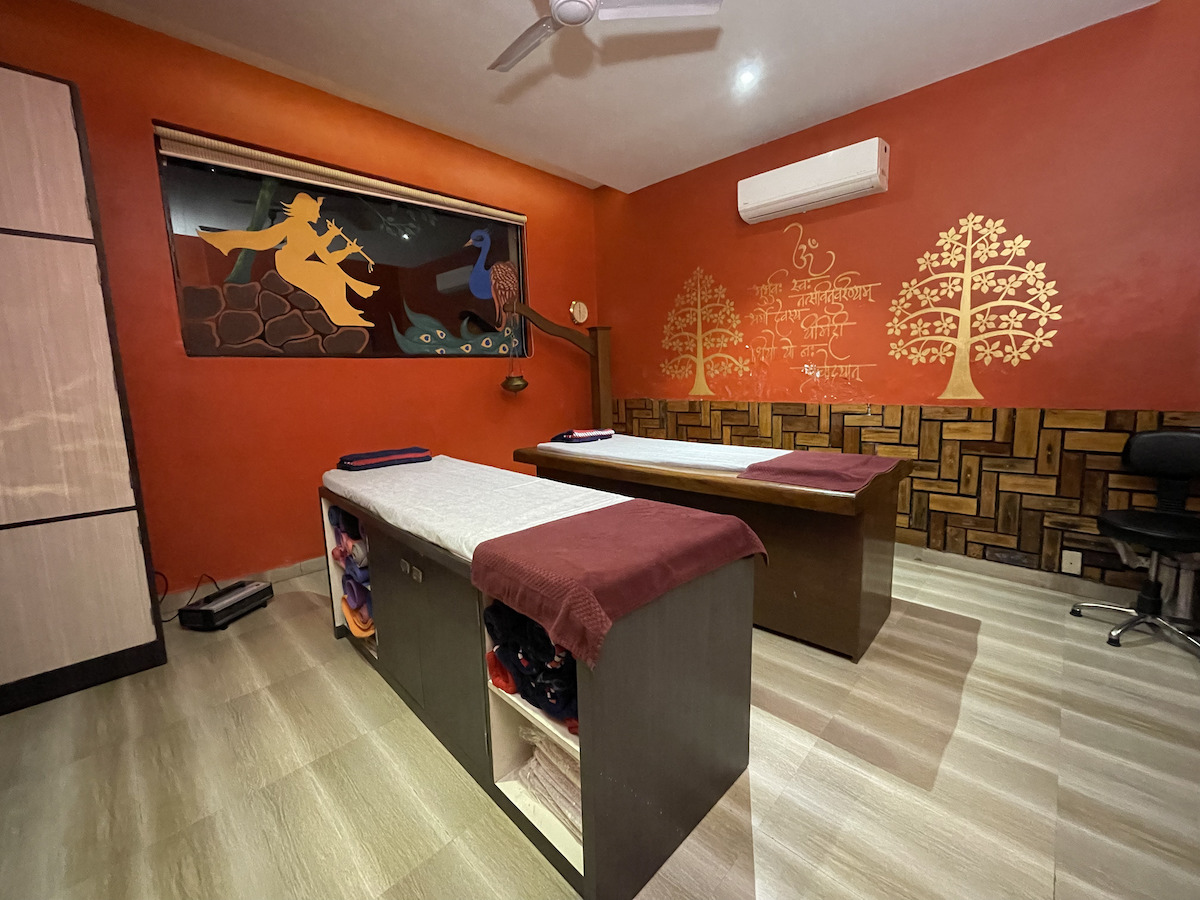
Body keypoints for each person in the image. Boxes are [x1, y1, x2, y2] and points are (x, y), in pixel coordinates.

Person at [199, 192, 378, 327]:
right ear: (307, 211)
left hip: (300, 265)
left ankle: (345, 312)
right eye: (316, 210)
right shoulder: (292, 225)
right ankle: (340, 315)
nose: (318, 215)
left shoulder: (309, 231)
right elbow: (262, 239)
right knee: (330, 277)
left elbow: (327, 257)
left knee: (333, 276)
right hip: (290, 265)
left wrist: (347, 249)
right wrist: (334, 239)